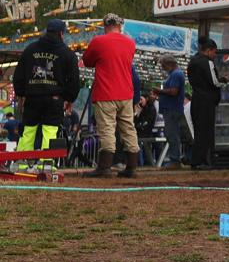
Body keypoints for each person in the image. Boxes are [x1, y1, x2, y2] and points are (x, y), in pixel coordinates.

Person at [13, 19, 81, 167]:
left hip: (32, 97)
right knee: (50, 131)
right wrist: (68, 98)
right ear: (61, 34)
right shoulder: (67, 54)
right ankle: (46, 165)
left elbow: (18, 75)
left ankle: (21, 163)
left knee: (29, 131)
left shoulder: (30, 49)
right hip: (54, 99)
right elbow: (74, 80)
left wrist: (21, 94)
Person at [81, 13, 137, 178]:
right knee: (128, 129)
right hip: (126, 93)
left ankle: (104, 167)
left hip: (105, 93)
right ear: (120, 26)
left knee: (107, 130)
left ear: (105, 26)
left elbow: (87, 61)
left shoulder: (99, 41)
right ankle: (132, 167)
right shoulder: (130, 42)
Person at [187, 38, 222, 170]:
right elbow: (215, 82)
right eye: (214, 52)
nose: (215, 55)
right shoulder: (207, 62)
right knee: (206, 132)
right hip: (207, 101)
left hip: (196, 99)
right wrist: (223, 81)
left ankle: (196, 160)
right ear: (208, 51)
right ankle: (202, 161)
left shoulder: (193, 61)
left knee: (199, 131)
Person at [153, 57, 187, 167]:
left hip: (173, 109)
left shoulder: (176, 74)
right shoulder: (175, 74)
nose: (162, 68)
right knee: (171, 134)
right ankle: (174, 159)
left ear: (169, 64)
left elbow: (174, 92)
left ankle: (175, 160)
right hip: (171, 109)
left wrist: (160, 91)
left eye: (163, 65)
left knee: (172, 134)